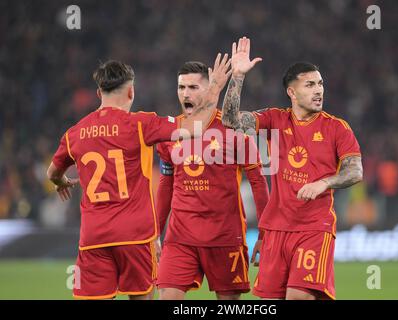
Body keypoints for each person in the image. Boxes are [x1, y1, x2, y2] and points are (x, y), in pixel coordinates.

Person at [46, 56, 231, 300]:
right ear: (131, 92)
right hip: (135, 236)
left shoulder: (75, 133)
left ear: (99, 93)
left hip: (93, 238)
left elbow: (53, 172)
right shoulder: (141, 124)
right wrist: (215, 89)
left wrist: (60, 183)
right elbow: (195, 128)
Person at [221, 37, 363, 300]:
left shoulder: (336, 128)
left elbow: (355, 171)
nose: (318, 90)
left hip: (314, 228)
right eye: (310, 85)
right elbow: (230, 120)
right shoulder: (275, 119)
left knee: (299, 296)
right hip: (276, 229)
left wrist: (324, 183)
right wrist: (238, 76)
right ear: (292, 92)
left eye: (320, 84)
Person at [156, 61, 270, 300]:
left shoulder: (234, 131)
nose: (185, 93)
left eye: (193, 87)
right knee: (167, 296)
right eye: (181, 87)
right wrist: (155, 232)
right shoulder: (170, 132)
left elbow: (259, 183)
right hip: (180, 237)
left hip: (225, 237)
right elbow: (166, 185)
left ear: (210, 90)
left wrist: (263, 235)